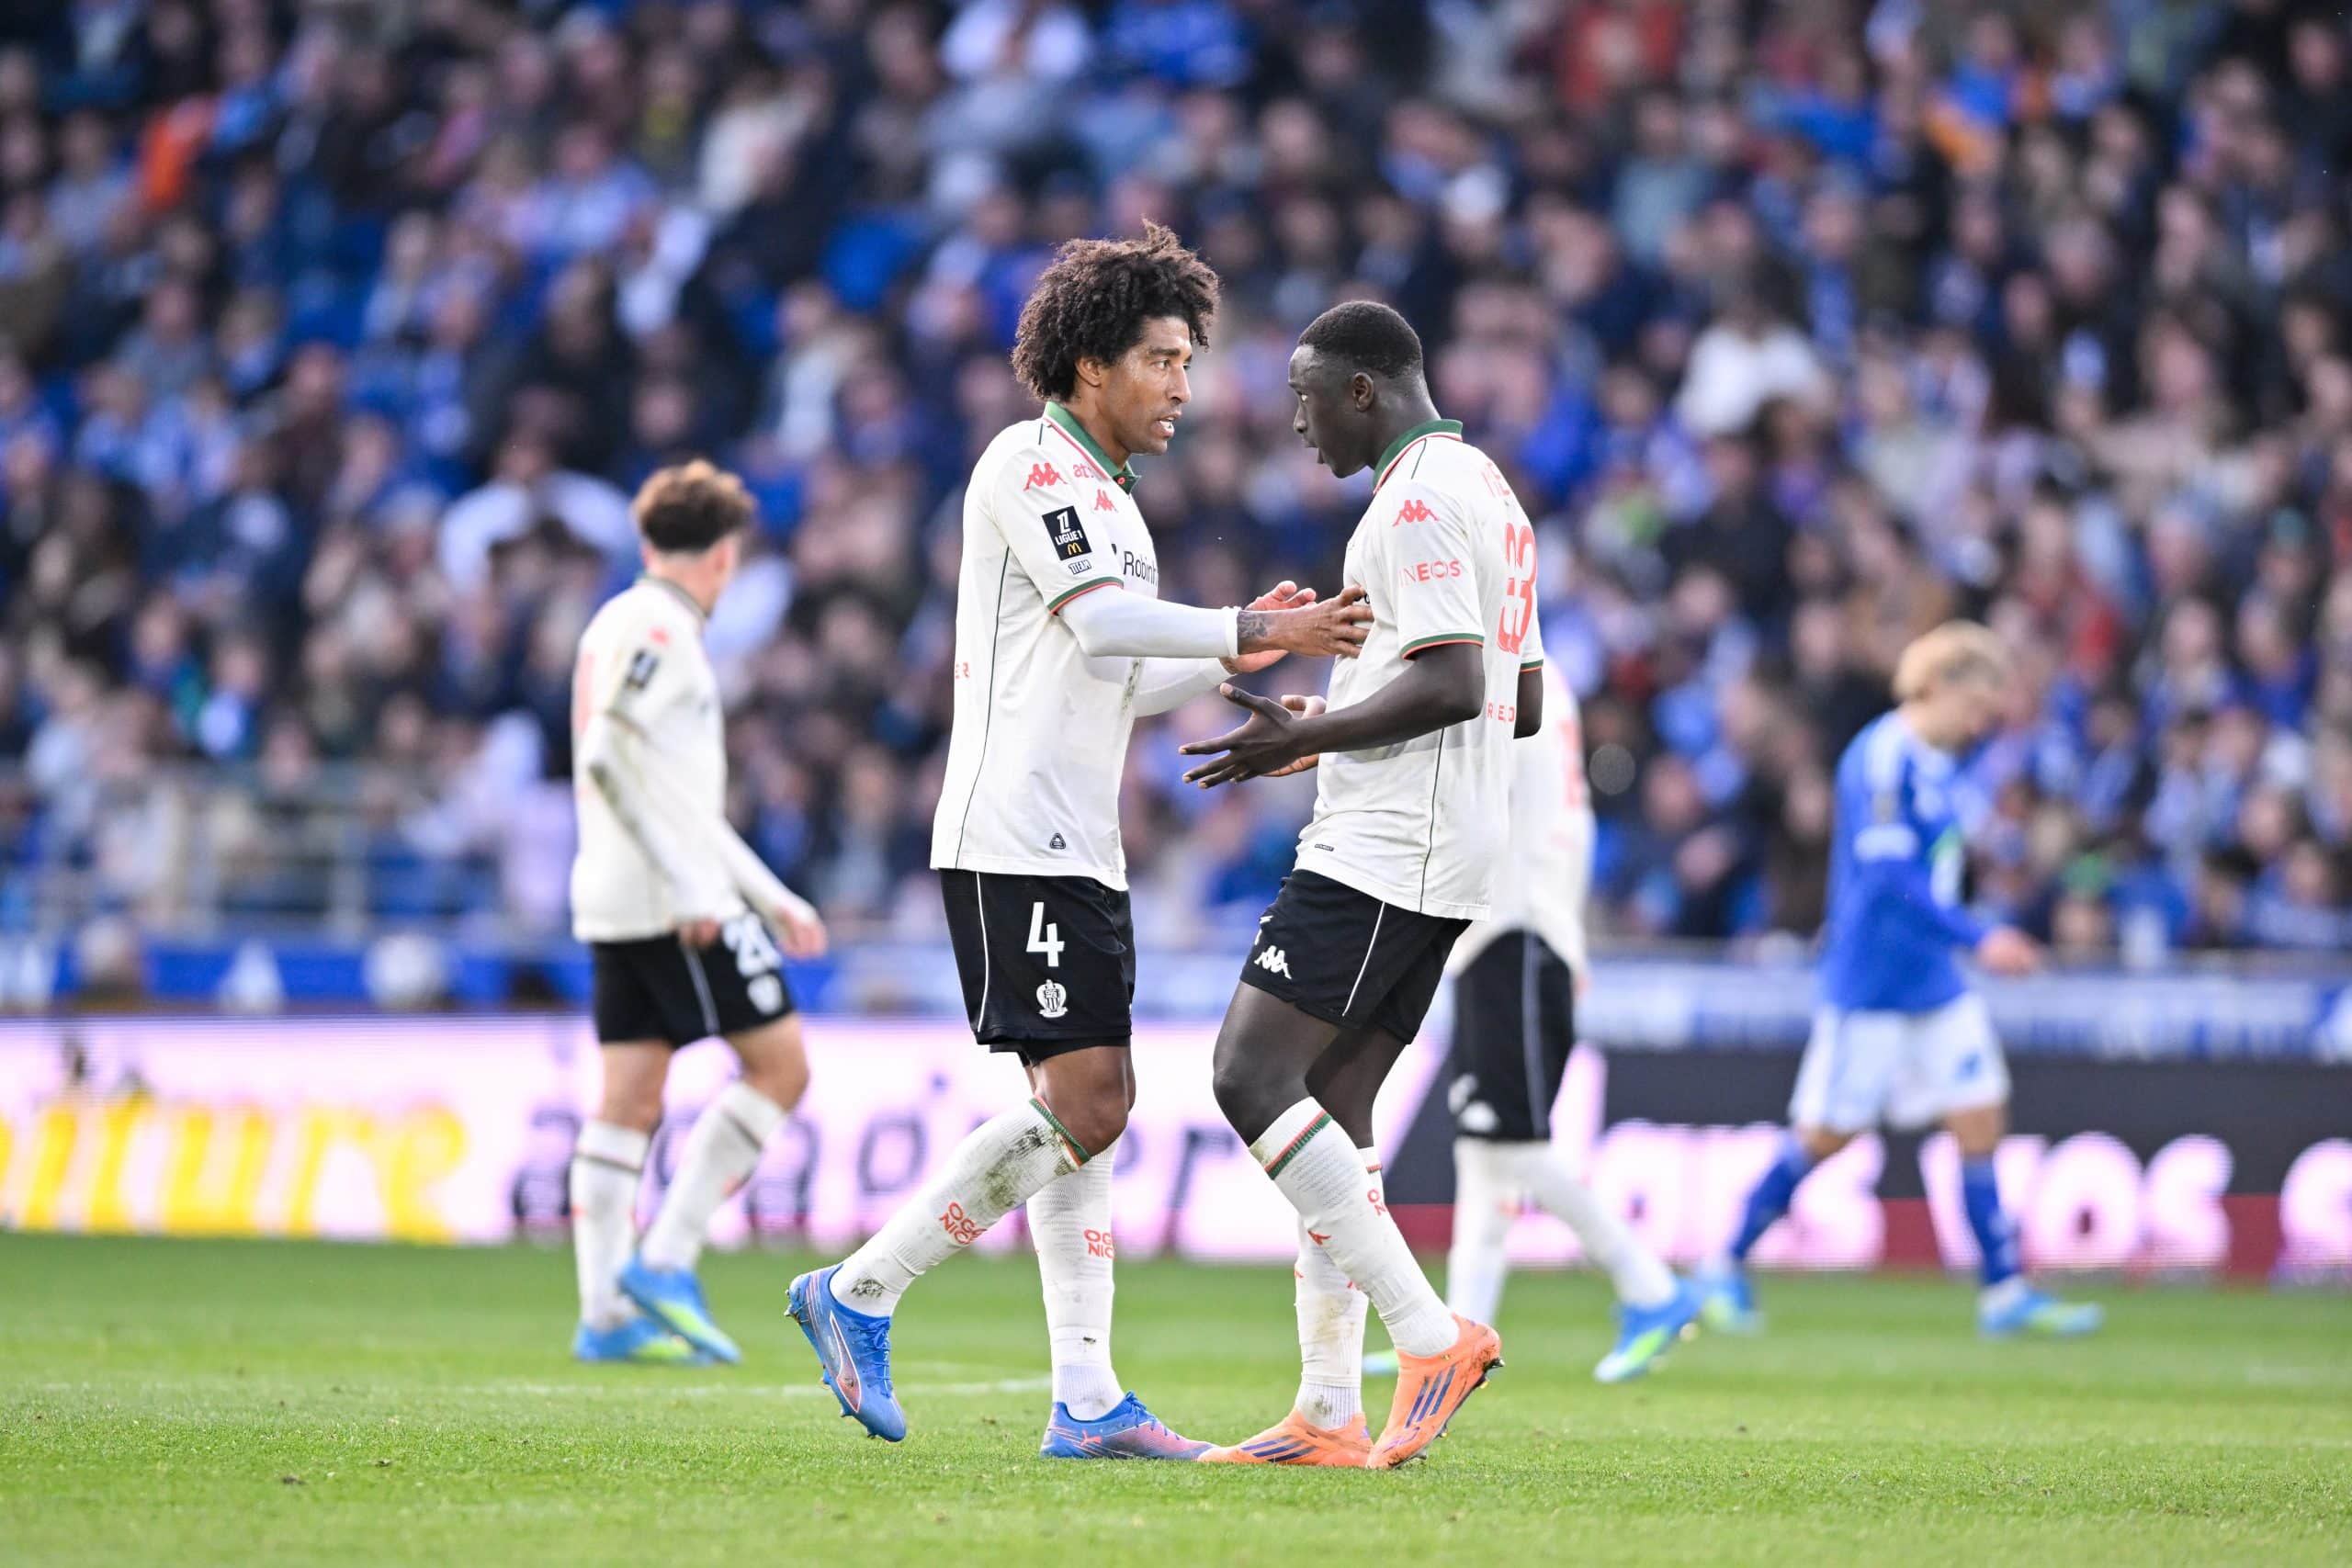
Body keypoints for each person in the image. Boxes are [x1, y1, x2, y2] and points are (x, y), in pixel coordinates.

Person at [786, 224, 1371, 1457]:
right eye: (1161, 357)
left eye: (1186, 360)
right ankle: (861, 1288)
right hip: (1017, 838)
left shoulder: (1112, 502)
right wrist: (1246, 629)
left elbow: (1118, 680)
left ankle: (1089, 1395)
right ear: (1092, 363)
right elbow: (1111, 632)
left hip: (1070, 841)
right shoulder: (1031, 465)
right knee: (1094, 1103)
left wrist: (1244, 649)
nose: (1183, 386)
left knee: (1074, 1108)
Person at [1178, 299, 1541, 1470]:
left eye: (1305, 395)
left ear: (1366, 390)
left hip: (1392, 845)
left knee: (1248, 1075)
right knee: (1331, 1108)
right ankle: (1327, 1410)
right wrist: (1332, 714)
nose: (1296, 421)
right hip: (1441, 836)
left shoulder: (1421, 499)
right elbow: (1516, 699)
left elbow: (1447, 686)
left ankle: (1428, 1337)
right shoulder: (1488, 488)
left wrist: (1304, 744)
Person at [1694, 623, 2105, 1339]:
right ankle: (1720, 1264)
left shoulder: (1938, 763)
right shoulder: (1882, 756)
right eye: (1977, 704)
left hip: (1934, 980)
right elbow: (1888, 877)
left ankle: (2003, 1290)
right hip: (1874, 981)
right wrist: (1983, 935)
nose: (1982, 723)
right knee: (1828, 1134)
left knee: (1980, 1114)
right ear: (1941, 685)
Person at [1364, 664, 1705, 1387]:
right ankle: (1450, 1339)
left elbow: (1467, 801)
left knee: (1511, 1145)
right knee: (1487, 1158)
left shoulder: (1489, 674)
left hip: (1510, 937)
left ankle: (1650, 1286)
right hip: (1530, 932)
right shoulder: (1543, 677)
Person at [567, 459, 829, 1365]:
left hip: (610, 889)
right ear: (723, 558)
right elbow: (605, 752)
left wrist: (769, 893)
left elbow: (668, 795)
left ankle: (603, 1314)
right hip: (669, 901)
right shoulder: (663, 629)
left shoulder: (614, 619)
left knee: (628, 1099)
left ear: (648, 544)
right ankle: (668, 1258)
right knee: (781, 1068)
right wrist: (692, 888)